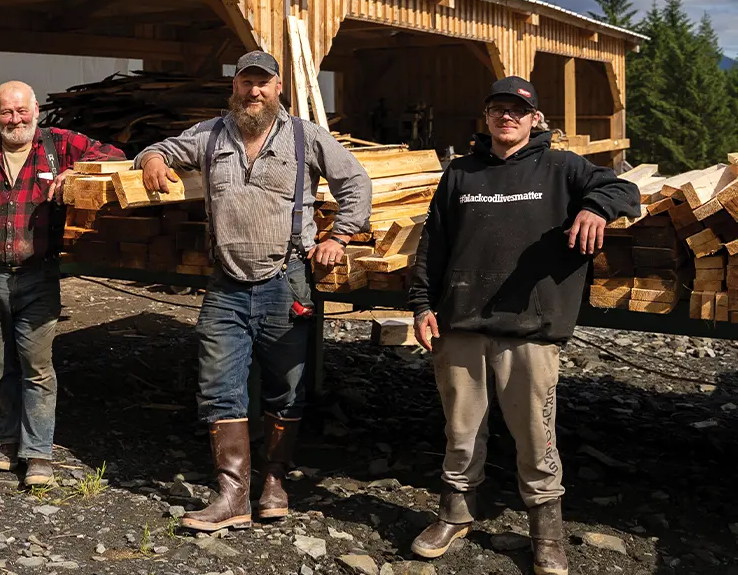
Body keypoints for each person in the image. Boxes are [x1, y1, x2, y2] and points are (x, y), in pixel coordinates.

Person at [407, 76, 640, 575]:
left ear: (536, 118)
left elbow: (624, 187)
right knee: (461, 429)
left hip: (532, 327)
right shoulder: (461, 174)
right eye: (497, 108)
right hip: (461, 322)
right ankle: (455, 513)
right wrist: (422, 304)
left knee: (536, 435)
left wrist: (596, 207)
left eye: (517, 109)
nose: (506, 116)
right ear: (486, 117)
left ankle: (546, 531)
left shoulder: (561, 167)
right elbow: (434, 245)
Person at [136, 50, 372, 532]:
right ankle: (232, 494)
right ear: (235, 86)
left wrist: (338, 236)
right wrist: (154, 158)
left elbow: (356, 182)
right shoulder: (210, 134)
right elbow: (155, 148)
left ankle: (275, 482)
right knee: (218, 384)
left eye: (263, 83)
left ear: (278, 87)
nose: (254, 91)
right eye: (246, 82)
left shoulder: (306, 137)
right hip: (226, 283)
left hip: (286, 281)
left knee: (287, 386)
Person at [0, 81, 125, 487]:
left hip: (37, 275)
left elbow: (115, 155)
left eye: (22, 111)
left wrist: (74, 171)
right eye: (7, 112)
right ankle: (9, 443)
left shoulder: (57, 145)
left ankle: (38, 453)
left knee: (36, 367)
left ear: (36, 110)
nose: (15, 119)